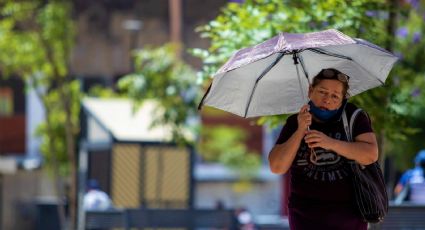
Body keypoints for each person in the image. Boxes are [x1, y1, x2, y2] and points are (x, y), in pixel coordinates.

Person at [268, 68, 378, 230]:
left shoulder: (354, 117)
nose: (327, 100)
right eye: (322, 92)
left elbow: (370, 155)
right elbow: (277, 167)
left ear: (342, 100)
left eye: (335, 96)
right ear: (310, 91)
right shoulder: (295, 121)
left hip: (349, 215)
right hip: (305, 216)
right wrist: (299, 131)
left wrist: (330, 143)